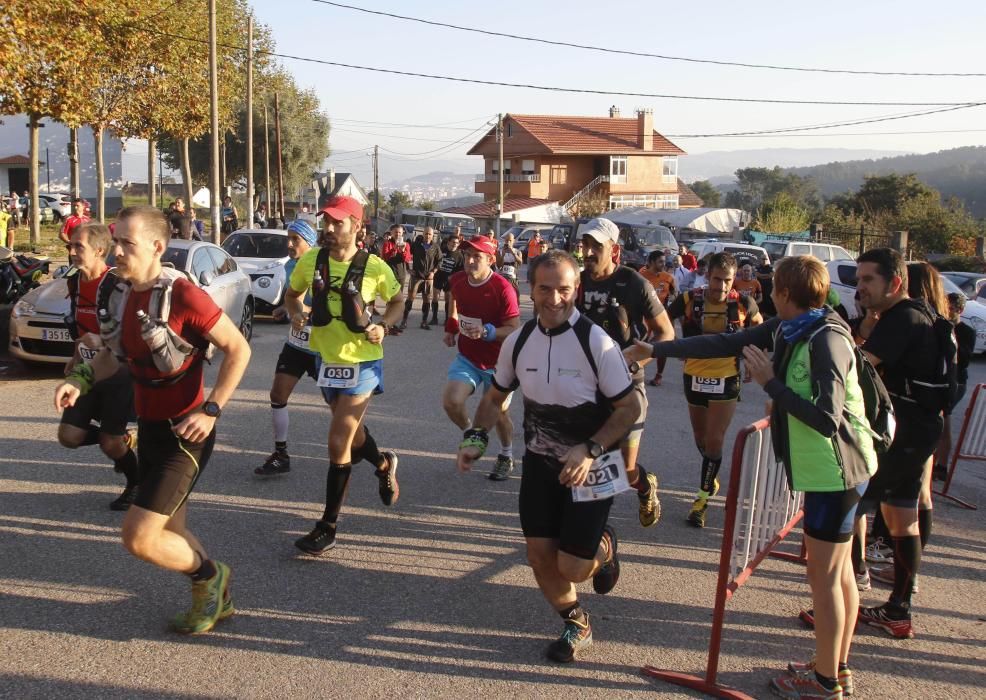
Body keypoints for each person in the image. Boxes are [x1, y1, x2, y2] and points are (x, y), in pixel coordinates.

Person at [628, 256, 876, 699]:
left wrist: (770, 383)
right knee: (836, 577)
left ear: (782, 293)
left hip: (838, 472)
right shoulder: (790, 327)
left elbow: (826, 419)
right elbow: (724, 342)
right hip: (826, 472)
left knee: (829, 579)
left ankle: (824, 681)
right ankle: (834, 666)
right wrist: (656, 349)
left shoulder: (826, 338)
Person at [54, 205, 251, 634]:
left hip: (186, 434)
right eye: (116, 240)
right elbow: (111, 354)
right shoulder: (120, 292)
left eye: (127, 242)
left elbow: (239, 349)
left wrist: (212, 408)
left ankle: (211, 577)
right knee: (172, 531)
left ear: (156, 246)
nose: (118, 250)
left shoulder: (183, 295)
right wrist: (81, 380)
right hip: (150, 428)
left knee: (140, 537)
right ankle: (217, 594)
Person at [456, 249, 644, 663]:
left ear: (576, 289)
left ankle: (606, 546)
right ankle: (576, 621)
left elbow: (629, 409)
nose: (554, 299)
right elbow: (495, 398)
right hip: (541, 465)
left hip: (592, 466)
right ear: (531, 290)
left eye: (564, 289)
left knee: (574, 568)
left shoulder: (597, 342)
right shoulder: (519, 341)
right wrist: (477, 436)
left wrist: (591, 448)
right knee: (540, 556)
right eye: (545, 289)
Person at [285, 195, 405, 556]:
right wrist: (296, 311)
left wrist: (383, 325)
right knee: (353, 435)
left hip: (363, 362)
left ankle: (328, 527)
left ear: (357, 226)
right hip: (327, 359)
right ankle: (384, 463)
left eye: (339, 223)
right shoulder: (311, 260)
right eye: (327, 222)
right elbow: (293, 295)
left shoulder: (375, 267)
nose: (331, 228)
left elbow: (398, 301)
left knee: (339, 440)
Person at [853, 249, 945, 639]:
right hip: (916, 429)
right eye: (857, 281)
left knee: (847, 509)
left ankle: (838, 602)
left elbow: (857, 367)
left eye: (867, 281)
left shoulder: (902, 317)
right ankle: (898, 609)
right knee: (901, 517)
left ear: (894, 282)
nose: (860, 289)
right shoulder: (919, 314)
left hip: (905, 432)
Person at [578, 218, 674, 528]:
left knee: (625, 467)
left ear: (614, 249)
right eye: (585, 245)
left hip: (627, 389)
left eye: (596, 246)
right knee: (591, 463)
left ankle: (645, 486)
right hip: (587, 387)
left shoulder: (634, 283)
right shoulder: (577, 282)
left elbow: (666, 334)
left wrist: (633, 362)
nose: (588, 252)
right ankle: (596, 534)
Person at [660, 252, 763, 527]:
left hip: (727, 377)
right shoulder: (690, 299)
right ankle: (711, 476)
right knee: (702, 439)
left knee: (715, 440)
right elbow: (662, 319)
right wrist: (674, 343)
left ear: (734, 279)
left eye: (727, 281)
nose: (721, 287)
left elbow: (760, 329)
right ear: (708, 276)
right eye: (717, 280)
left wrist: (753, 361)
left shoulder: (743, 302)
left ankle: (701, 501)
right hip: (693, 375)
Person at [57, 222, 141, 510]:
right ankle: (122, 439)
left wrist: (103, 339)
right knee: (68, 437)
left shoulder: (117, 284)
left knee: (109, 443)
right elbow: (80, 329)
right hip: (88, 372)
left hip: (119, 372)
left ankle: (135, 481)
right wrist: (76, 356)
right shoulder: (74, 281)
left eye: (78, 246)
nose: (71, 251)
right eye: (70, 246)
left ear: (100, 251)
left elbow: (132, 333)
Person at [442, 235, 520, 479]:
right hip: (468, 358)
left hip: (500, 364)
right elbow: (454, 302)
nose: (470, 260)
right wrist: (451, 326)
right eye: (467, 256)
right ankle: (472, 435)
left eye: (477, 256)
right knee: (452, 401)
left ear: (490, 259)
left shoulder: (503, 288)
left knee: (499, 415)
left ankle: (506, 455)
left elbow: (514, 329)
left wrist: (487, 331)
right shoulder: (457, 280)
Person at [254, 220, 321, 477]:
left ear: (309, 242)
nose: (290, 244)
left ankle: (373, 454)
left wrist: (306, 312)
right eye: (288, 238)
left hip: (322, 345)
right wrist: (286, 308)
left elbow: (331, 305)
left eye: (296, 239)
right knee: (277, 394)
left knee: (340, 409)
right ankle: (281, 454)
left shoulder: (322, 265)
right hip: (296, 343)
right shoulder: (291, 264)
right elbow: (292, 297)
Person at [934, 292, 975, 481]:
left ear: (961, 310)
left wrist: (952, 341)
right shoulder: (939, 325)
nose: (949, 311)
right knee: (940, 421)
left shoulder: (966, 331)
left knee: (944, 420)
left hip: (957, 382)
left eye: (954, 309)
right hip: (942, 379)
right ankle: (937, 463)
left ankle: (941, 465)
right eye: (947, 307)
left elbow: (964, 360)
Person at [638, 250, 677, 387]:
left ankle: (659, 375)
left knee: (663, 346)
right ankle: (637, 370)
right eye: (660, 261)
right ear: (652, 262)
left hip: (662, 317)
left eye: (664, 262)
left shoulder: (668, 278)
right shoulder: (640, 276)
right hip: (644, 316)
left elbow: (674, 295)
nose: (663, 264)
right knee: (641, 343)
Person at [401, 226, 441, 330]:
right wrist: (408, 269)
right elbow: (406, 255)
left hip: (428, 278)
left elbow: (440, 261)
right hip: (416, 277)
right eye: (426, 233)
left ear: (433, 236)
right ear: (423, 234)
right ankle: (404, 321)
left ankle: (423, 322)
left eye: (430, 234)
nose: (428, 236)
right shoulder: (416, 245)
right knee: (410, 299)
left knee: (427, 300)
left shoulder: (435, 247)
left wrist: (433, 272)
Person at [432, 229, 465, 325]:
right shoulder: (441, 250)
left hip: (449, 281)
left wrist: (454, 277)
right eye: (453, 242)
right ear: (449, 242)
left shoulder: (459, 255)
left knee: (448, 299)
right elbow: (434, 261)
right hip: (438, 277)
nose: (455, 244)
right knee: (435, 298)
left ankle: (447, 319)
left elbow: (461, 270)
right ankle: (434, 318)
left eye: (457, 243)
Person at [497, 232, 524, 299]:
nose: (508, 242)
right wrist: (503, 255)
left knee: (514, 297)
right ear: (504, 241)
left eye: (510, 240)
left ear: (513, 241)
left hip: (513, 279)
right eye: (507, 240)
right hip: (502, 279)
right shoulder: (499, 251)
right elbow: (498, 265)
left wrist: (513, 253)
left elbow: (520, 263)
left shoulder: (518, 252)